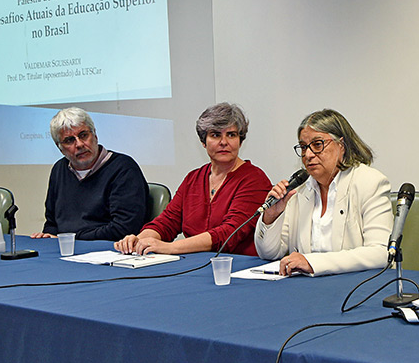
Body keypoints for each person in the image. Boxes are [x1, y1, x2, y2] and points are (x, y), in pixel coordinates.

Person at [115, 103, 271, 255]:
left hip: (238, 267)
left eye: (231, 135)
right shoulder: (193, 178)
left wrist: (170, 248)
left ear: (240, 140)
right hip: (194, 265)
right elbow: (167, 222)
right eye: (215, 135)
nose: (224, 142)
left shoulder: (255, 179)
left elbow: (228, 234)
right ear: (203, 142)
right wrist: (139, 240)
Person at [255, 109, 393, 276]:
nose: (308, 154)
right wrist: (271, 217)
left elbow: (381, 252)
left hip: (357, 286)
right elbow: (269, 254)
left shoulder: (370, 182)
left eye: (317, 145)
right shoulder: (298, 189)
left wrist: (312, 262)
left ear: (341, 146)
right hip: (308, 287)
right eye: (304, 147)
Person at [33, 107, 148, 241]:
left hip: (110, 251)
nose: (80, 144)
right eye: (69, 140)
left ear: (95, 135)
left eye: (83, 135)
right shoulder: (59, 169)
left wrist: (72, 238)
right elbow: (52, 223)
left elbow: (124, 228)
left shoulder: (123, 168)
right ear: (60, 148)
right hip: (68, 250)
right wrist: (48, 236)